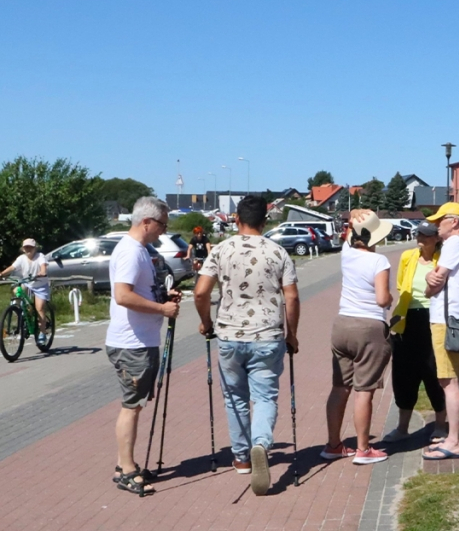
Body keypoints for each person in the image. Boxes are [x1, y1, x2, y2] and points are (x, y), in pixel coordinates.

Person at [194, 195, 300, 496]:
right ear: (265, 222)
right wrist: (292, 334)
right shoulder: (278, 252)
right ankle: (261, 444)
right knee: (265, 397)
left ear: (236, 219)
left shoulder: (221, 250)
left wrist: (207, 322)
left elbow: (201, 292)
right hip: (268, 335)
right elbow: (291, 297)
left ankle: (241, 458)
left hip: (229, 335)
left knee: (235, 398)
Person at [105, 197, 181, 496]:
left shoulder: (139, 251)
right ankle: (126, 468)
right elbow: (123, 296)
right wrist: (162, 310)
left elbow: (139, 291)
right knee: (132, 406)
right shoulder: (130, 253)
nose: (164, 231)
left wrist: (163, 297)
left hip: (141, 340)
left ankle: (126, 462)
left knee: (135, 404)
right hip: (131, 343)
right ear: (146, 222)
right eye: (162, 224)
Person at [321, 210, 394, 465]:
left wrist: (354, 216)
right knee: (364, 390)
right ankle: (363, 449)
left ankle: (333, 445)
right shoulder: (379, 262)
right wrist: (391, 300)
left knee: (340, 387)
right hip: (368, 327)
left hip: (342, 324)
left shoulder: (346, 254)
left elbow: (350, 227)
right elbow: (382, 299)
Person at [421, 202, 459, 461]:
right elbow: (436, 277)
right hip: (457, 316)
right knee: (455, 378)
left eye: (440, 221)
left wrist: (428, 284)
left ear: (454, 221)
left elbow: (436, 280)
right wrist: (431, 279)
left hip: (445, 319)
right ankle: (457, 436)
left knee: (448, 380)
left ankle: (455, 441)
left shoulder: (455, 244)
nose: (436, 226)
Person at [382, 222, 447, 444]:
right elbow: (402, 286)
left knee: (434, 372)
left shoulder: (444, 258)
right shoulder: (408, 256)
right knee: (403, 375)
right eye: (419, 233)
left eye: (426, 235)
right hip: (407, 319)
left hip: (433, 318)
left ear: (436, 238)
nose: (420, 238)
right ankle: (402, 428)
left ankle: (440, 425)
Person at [0, 238, 50, 344]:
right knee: (17, 291)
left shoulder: (40, 257)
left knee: (39, 308)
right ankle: (22, 313)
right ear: (23, 249)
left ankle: (42, 332)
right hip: (27, 283)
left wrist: (42, 272)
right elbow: (12, 267)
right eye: (26, 247)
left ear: (35, 248)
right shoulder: (21, 258)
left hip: (40, 285)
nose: (28, 249)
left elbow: (43, 266)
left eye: (30, 247)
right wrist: (2, 274)